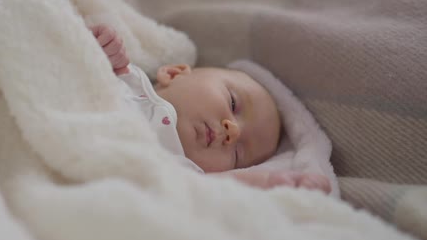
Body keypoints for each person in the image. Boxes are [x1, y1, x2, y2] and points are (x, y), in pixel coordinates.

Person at [89, 24, 331, 193]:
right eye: (233, 104)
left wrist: (276, 182)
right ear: (174, 73)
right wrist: (102, 46)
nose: (232, 132)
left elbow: (228, 186)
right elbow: (77, 61)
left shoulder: (184, 173)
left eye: (238, 153)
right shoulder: (128, 80)